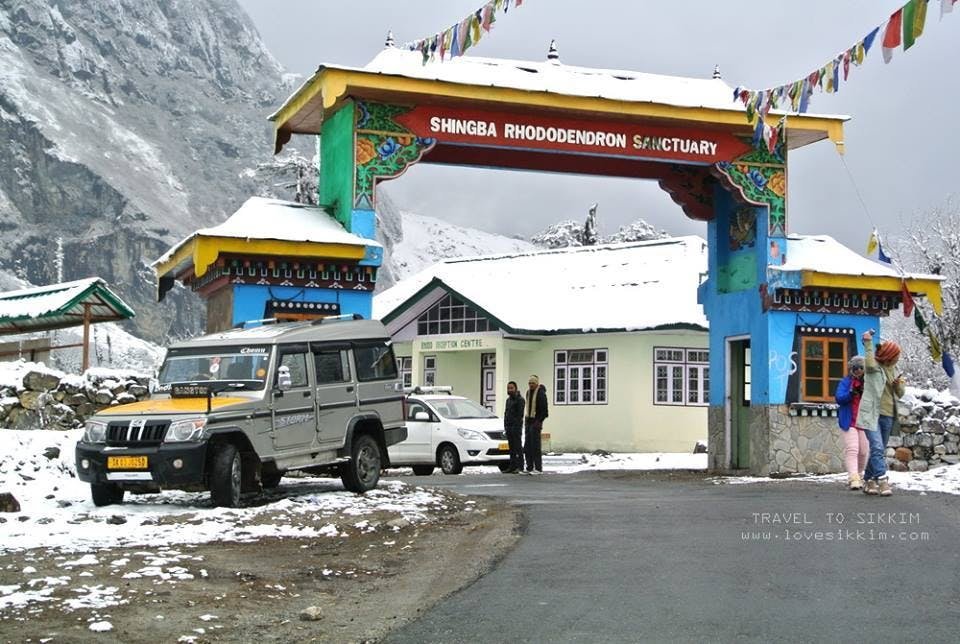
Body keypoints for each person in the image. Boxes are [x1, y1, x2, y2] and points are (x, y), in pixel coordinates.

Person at [857, 330, 905, 496]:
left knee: (879, 449)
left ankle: (868, 480)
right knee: (877, 447)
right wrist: (868, 344)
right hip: (872, 413)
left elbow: (901, 393)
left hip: (888, 414)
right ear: (890, 355)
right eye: (897, 355)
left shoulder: (896, 369)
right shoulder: (873, 367)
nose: (899, 358)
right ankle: (883, 481)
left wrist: (898, 384)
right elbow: (869, 364)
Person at [835, 356, 868, 490]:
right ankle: (853, 476)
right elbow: (839, 398)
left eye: (861, 368)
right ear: (851, 369)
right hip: (849, 420)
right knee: (852, 448)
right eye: (855, 368)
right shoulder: (845, 382)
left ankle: (860, 475)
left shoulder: (868, 383)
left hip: (864, 420)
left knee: (864, 451)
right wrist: (851, 393)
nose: (858, 370)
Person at [523, 375, 549, 475]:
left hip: (536, 422)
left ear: (537, 383)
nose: (531, 385)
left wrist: (539, 421)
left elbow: (545, 411)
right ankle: (529, 467)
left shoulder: (541, 393)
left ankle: (538, 468)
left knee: (535, 446)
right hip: (528, 421)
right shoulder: (528, 393)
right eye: (529, 383)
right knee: (527, 446)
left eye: (533, 383)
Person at [503, 381, 525, 473]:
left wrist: (516, 426)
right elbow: (506, 413)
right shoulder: (508, 400)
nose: (510, 390)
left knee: (518, 447)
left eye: (511, 388)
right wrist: (506, 425)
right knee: (511, 448)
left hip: (516, 427)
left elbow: (520, 415)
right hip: (509, 427)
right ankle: (512, 466)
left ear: (516, 388)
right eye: (508, 388)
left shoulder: (520, 400)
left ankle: (520, 466)